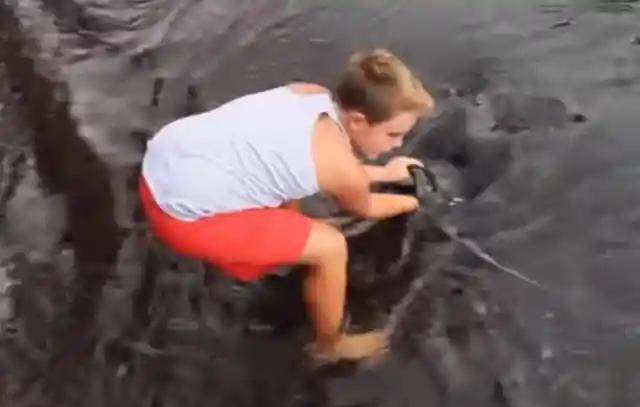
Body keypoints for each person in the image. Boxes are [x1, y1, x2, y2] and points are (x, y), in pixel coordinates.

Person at [138, 48, 434, 363]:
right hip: (178, 217)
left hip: (160, 165)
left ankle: (289, 233)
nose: (397, 145)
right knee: (331, 247)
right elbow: (367, 206)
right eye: (394, 134)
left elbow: (314, 167)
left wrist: (387, 172)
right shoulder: (341, 169)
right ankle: (330, 344)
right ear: (358, 121)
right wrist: (412, 201)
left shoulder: (309, 94)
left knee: (282, 180)